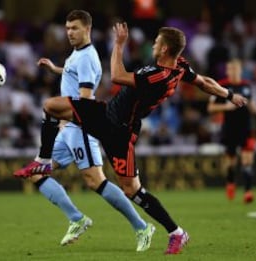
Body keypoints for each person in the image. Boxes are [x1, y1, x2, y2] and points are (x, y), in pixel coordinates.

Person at [16, 22, 247, 254]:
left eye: (157, 42)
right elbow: (204, 82)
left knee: (132, 190)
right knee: (51, 106)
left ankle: (176, 232)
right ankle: (44, 162)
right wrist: (229, 94)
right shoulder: (180, 67)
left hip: (120, 132)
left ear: (165, 49)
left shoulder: (158, 75)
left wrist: (118, 45)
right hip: (105, 114)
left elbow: (117, 76)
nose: (153, 45)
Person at [14, 10, 154, 251]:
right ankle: (77, 219)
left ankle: (142, 226)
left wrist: (66, 116)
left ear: (87, 29)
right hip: (67, 129)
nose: (69, 33)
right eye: (67, 28)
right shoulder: (76, 55)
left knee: (95, 181)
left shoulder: (88, 57)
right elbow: (73, 72)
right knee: (36, 174)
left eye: (75, 28)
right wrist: (56, 69)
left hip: (80, 128)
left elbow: (86, 100)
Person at [207, 59, 256, 203]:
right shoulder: (222, 86)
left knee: (247, 160)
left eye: (236, 69)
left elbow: (254, 106)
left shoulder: (246, 86)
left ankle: (248, 191)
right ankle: (230, 182)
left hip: (246, 127)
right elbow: (210, 108)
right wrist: (227, 108)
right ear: (228, 71)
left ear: (240, 70)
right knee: (231, 162)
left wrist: (254, 108)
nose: (233, 72)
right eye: (231, 69)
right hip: (229, 128)